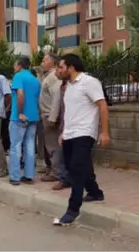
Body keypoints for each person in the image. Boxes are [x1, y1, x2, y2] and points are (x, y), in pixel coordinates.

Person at [54, 54, 109, 225]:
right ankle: (95, 192)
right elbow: (70, 112)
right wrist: (63, 132)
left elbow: (103, 106)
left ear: (71, 68)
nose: (59, 70)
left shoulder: (90, 82)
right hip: (70, 134)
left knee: (76, 171)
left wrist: (104, 132)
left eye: (61, 67)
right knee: (76, 168)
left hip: (85, 133)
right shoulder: (68, 86)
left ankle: (72, 210)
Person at [8, 56, 41, 186]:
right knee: (30, 145)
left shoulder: (18, 77)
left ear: (19, 65)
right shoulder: (35, 80)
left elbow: (20, 94)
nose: (14, 67)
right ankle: (29, 175)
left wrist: (20, 112)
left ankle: (15, 176)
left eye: (15, 64)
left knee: (15, 146)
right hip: (33, 116)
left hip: (19, 117)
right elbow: (37, 99)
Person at [39, 52, 63, 182]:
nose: (42, 63)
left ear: (52, 63)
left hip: (50, 116)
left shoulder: (53, 77)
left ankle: (56, 172)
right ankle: (52, 168)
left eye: (44, 60)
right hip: (47, 115)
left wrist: (53, 117)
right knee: (49, 145)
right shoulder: (48, 77)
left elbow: (56, 98)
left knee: (53, 145)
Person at [51, 68, 72, 191]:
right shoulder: (62, 86)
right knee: (63, 154)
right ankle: (65, 179)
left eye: (60, 68)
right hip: (65, 124)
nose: (57, 72)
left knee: (71, 155)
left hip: (77, 127)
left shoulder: (77, 86)